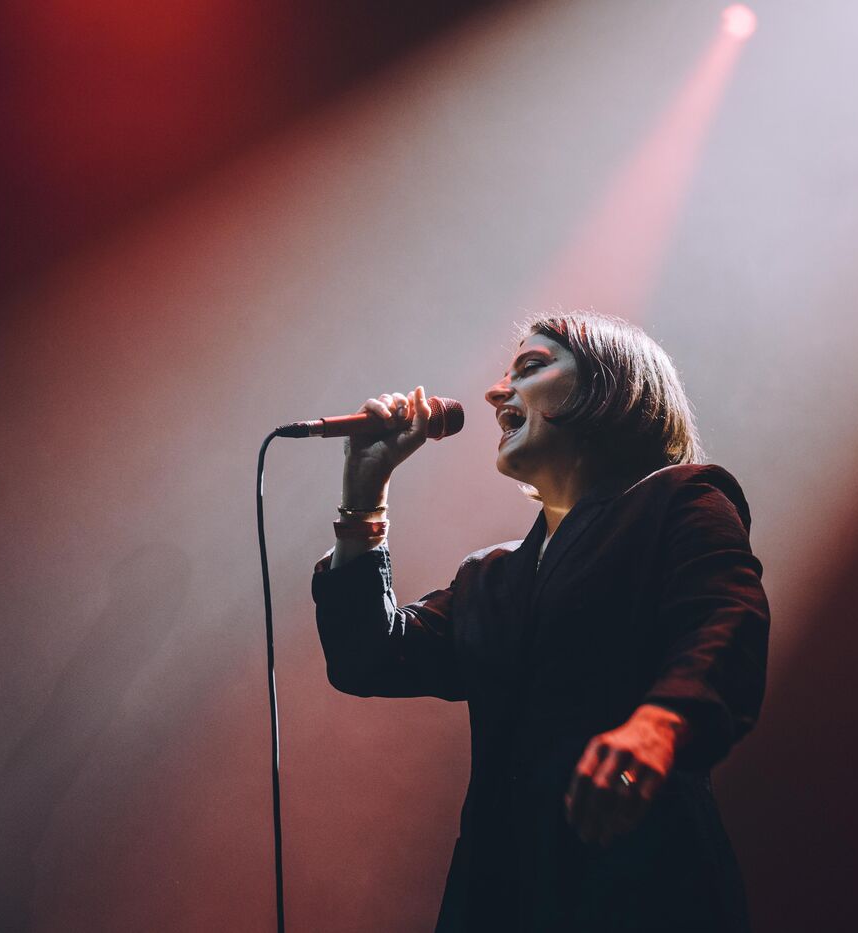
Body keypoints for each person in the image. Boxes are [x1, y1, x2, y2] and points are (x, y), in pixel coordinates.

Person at [311, 311, 770, 932]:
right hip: (499, 897)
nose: (495, 392)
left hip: (639, 884)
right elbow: (369, 657)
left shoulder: (682, 500)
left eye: (530, 367)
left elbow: (726, 624)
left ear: (609, 385)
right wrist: (364, 495)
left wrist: (658, 726)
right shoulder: (492, 576)